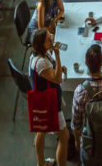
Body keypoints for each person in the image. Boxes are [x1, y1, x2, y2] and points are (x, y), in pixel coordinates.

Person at [30, 28, 69, 166]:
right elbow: (57, 79)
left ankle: (41, 163)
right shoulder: (41, 62)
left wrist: (59, 66)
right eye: (48, 39)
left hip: (41, 100)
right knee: (64, 137)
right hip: (49, 103)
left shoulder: (43, 55)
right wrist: (58, 55)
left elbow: (52, 71)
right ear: (42, 44)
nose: (52, 39)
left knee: (41, 131)